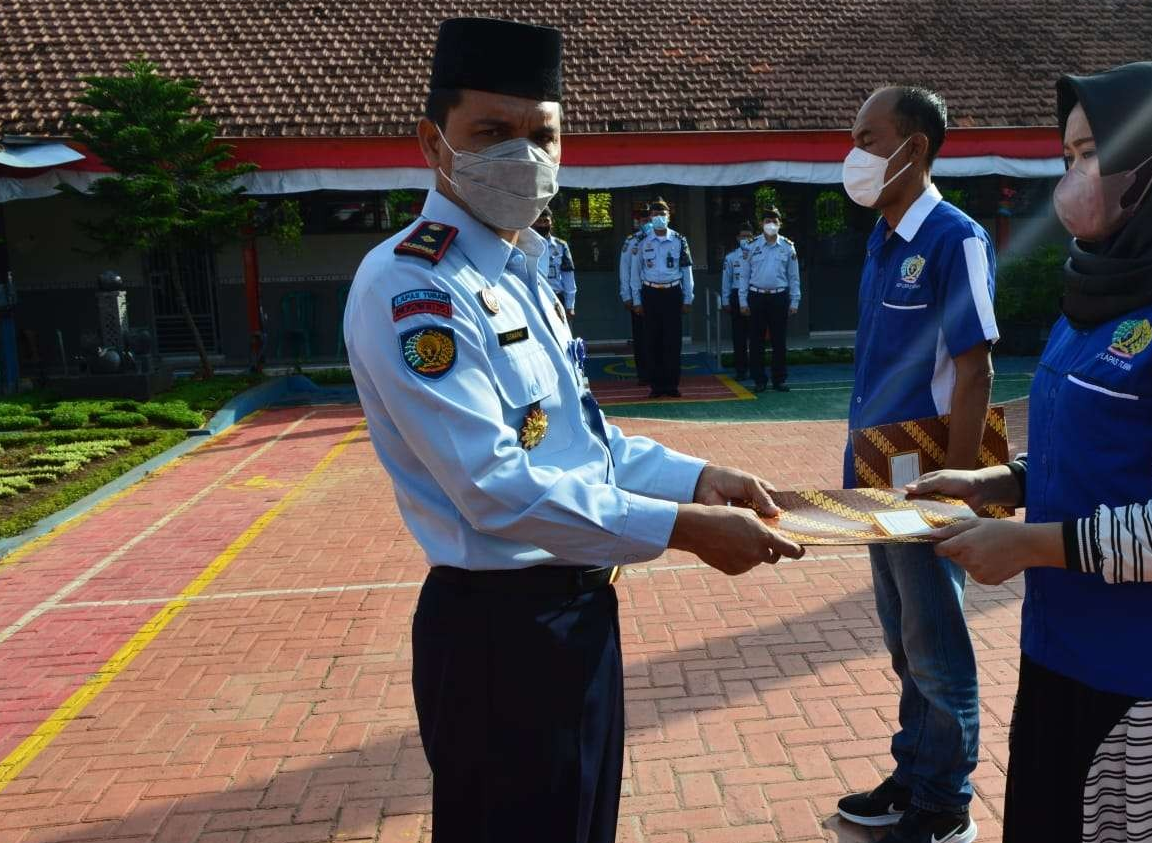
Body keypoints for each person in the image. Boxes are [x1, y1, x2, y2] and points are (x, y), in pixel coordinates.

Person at [341, 20, 804, 843]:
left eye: (541, 134)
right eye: (491, 132)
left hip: (577, 621)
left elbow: (581, 445)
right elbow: (492, 488)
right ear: (431, 142)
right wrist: (685, 529)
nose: (523, 156)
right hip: (497, 634)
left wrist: (698, 478)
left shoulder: (522, 274)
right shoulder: (415, 286)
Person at [912, 61, 1152, 843]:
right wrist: (1002, 481)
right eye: (1068, 155)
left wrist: (1033, 546)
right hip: (1064, 649)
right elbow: (1105, 448)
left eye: (1091, 153)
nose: (1074, 173)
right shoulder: (1102, 285)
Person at [832, 85, 997, 843]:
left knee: (936, 640)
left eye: (869, 138)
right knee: (903, 635)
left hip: (926, 472)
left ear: (915, 148)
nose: (854, 154)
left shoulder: (952, 237)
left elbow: (973, 368)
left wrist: (958, 487)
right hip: (875, 465)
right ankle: (915, 768)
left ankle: (945, 802)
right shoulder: (883, 236)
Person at [634, 198, 694, 399]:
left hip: (672, 292)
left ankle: (671, 385)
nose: (659, 218)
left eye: (662, 214)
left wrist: (688, 297)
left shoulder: (679, 240)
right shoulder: (642, 241)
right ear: (650, 218)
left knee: (672, 340)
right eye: (655, 214)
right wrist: (636, 299)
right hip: (650, 293)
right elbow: (636, 272)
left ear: (669, 216)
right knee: (652, 340)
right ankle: (656, 386)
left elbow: (687, 271)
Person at [739, 206, 802, 392]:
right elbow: (743, 275)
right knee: (756, 341)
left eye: (775, 221)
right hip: (756, 296)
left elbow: (794, 276)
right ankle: (759, 380)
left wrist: (795, 300)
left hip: (779, 297)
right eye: (767, 221)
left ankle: (779, 379)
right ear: (761, 224)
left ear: (780, 224)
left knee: (779, 341)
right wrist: (743, 301)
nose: (771, 225)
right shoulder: (751, 246)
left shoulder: (788, 246)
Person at [619, 217, 652, 386]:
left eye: (652, 217)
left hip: (660, 291)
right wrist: (627, 295)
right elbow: (625, 268)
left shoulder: (668, 237)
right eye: (645, 218)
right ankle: (644, 374)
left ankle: (663, 373)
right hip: (638, 293)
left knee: (662, 335)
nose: (649, 221)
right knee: (641, 337)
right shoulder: (632, 241)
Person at [721, 222, 754, 381]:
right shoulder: (730, 257)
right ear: (737, 237)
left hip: (754, 295)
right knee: (739, 336)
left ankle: (756, 369)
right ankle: (741, 370)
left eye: (748, 236)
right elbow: (726, 280)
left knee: (756, 335)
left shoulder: (758, 254)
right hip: (735, 296)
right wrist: (725, 300)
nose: (746, 238)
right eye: (743, 236)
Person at [533, 207, 577, 318]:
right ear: (533, 223)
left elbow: (568, 276)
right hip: (535, 297)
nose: (543, 225)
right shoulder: (526, 245)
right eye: (539, 221)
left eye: (546, 221)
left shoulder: (561, 246)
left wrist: (570, 305)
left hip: (556, 298)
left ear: (551, 222)